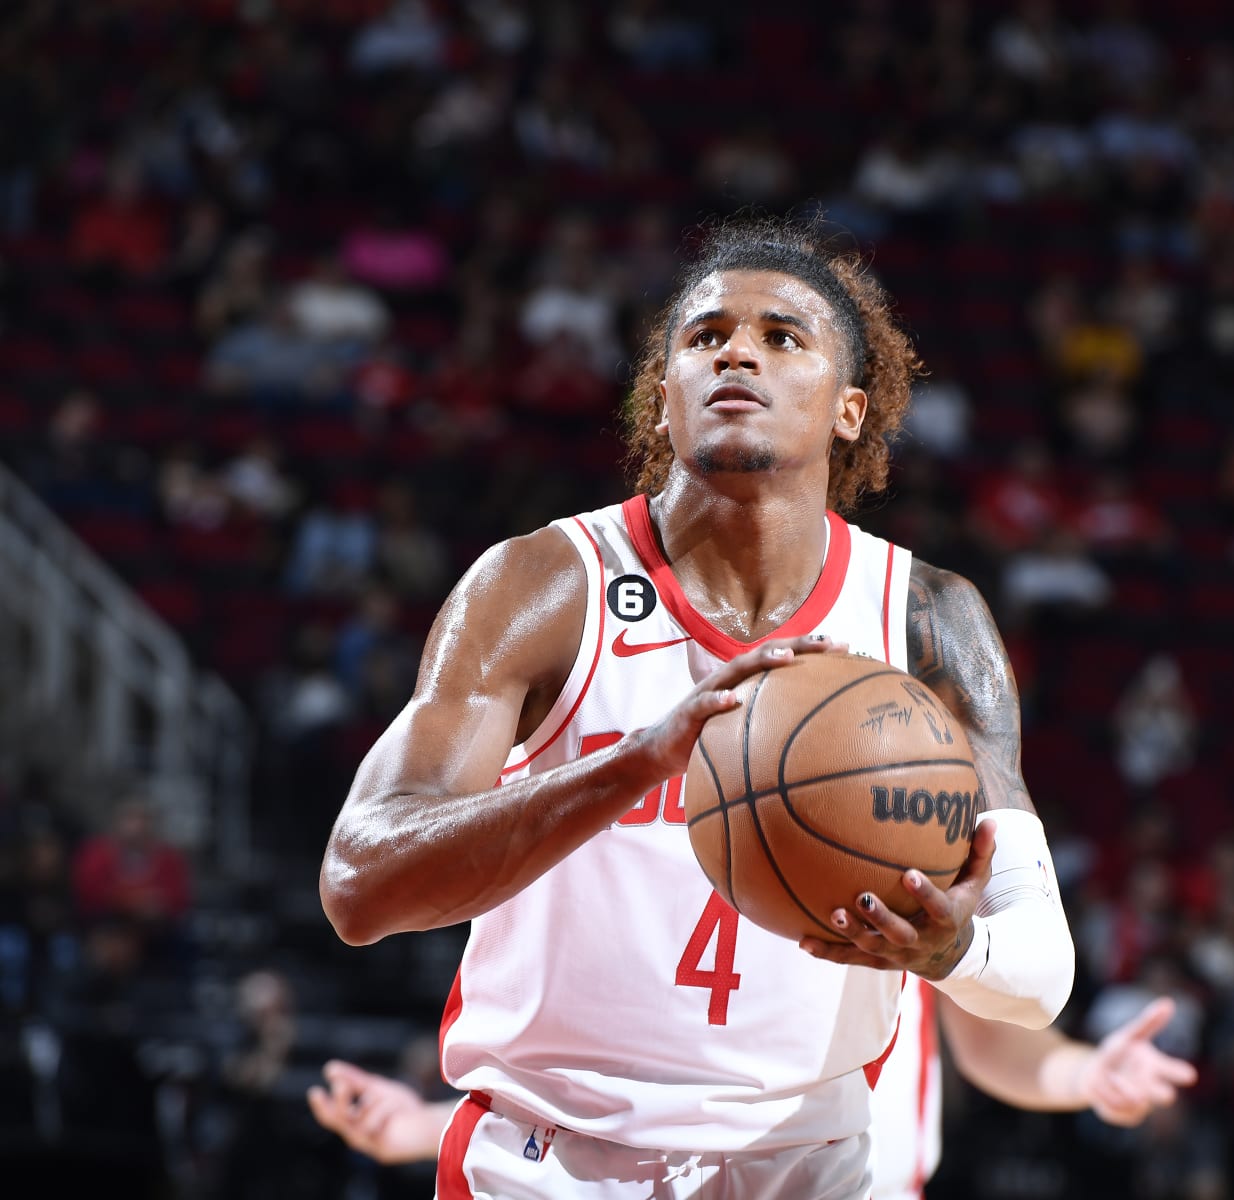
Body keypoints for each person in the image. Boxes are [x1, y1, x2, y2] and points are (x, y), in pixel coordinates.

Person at [319, 217, 1077, 1199]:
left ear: (850, 410)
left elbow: (1039, 968)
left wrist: (952, 948)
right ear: (662, 398)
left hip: (815, 1164)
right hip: (554, 1162)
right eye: (705, 335)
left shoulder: (930, 620)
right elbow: (358, 884)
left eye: (782, 337)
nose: (738, 353)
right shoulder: (549, 587)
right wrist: (635, 763)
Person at [308, 987, 1198, 1200]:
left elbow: (986, 1032)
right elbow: (613, 1095)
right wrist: (429, 1124)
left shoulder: (904, 814)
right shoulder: (688, 840)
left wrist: (1085, 1074)